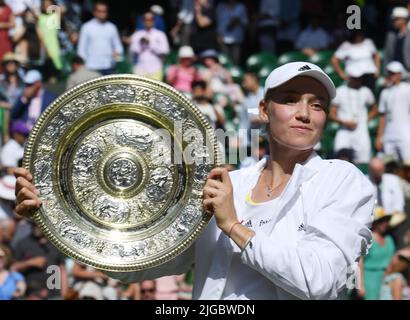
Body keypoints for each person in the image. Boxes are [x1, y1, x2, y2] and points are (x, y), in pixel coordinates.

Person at [14, 62, 375, 300]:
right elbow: (147, 265)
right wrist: (57, 220)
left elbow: (320, 282)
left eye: (317, 104)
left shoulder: (341, 180)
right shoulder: (229, 181)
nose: (303, 114)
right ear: (264, 111)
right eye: (290, 100)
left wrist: (234, 226)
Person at [329, 65, 378, 164]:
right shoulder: (340, 91)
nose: (357, 80)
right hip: (344, 128)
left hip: (361, 128)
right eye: (354, 78)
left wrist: (365, 120)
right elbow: (331, 114)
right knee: (339, 156)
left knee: (364, 158)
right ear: (349, 77)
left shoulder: (366, 91)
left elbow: (374, 109)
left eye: (359, 78)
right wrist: (343, 122)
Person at [376, 61, 410, 162]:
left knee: (407, 164)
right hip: (388, 135)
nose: (391, 75)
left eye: (394, 73)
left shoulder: (408, 88)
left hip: (405, 134)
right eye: (390, 73)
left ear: (400, 74)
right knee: (388, 164)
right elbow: (382, 116)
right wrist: (379, 137)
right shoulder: (384, 92)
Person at [77, 1, 123, 75]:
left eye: (104, 11)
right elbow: (81, 48)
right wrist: (83, 63)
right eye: (99, 11)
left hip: (109, 66)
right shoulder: (86, 27)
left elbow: (118, 46)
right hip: (91, 67)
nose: (102, 13)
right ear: (94, 12)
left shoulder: (112, 27)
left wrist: (117, 52)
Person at [362, 206, 396, 300]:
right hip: (369, 279)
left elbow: (392, 260)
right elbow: (359, 262)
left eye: (386, 220)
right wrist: (360, 285)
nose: (385, 223)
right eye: (382, 220)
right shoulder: (368, 239)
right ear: (375, 222)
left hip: (387, 279)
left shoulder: (389, 239)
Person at [129, 11, 170, 81]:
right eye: (146, 19)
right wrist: (140, 44)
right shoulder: (137, 35)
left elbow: (165, 50)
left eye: (150, 19)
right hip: (140, 69)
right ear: (143, 21)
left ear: (154, 21)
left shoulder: (160, 34)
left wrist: (150, 43)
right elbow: (133, 50)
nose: (148, 22)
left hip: (156, 69)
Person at [384, 7, 410, 72]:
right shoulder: (390, 35)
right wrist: (386, 72)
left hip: (408, 70)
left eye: (396, 19)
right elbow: (387, 55)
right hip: (393, 72)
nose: (394, 22)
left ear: (404, 20)